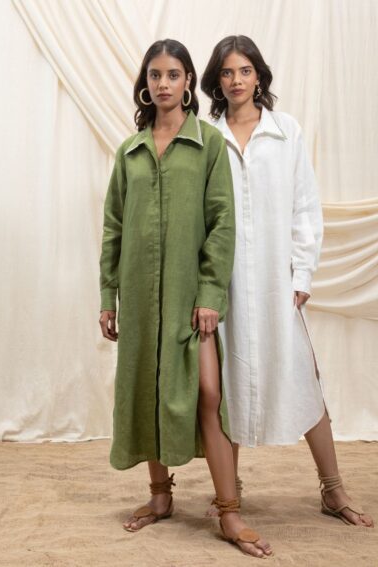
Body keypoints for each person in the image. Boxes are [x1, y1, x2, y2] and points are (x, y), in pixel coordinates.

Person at [99, 38, 272, 557]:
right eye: (155, 75)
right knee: (147, 388)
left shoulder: (208, 144)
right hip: (137, 295)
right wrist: (108, 297)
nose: (163, 84)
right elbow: (113, 228)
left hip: (189, 298)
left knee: (209, 396)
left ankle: (229, 511)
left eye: (173, 75)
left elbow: (222, 224)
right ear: (145, 84)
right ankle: (160, 496)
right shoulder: (129, 151)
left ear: (189, 82)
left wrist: (210, 293)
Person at [201, 35, 374, 528]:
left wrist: (302, 272)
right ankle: (229, 492)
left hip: (277, 278)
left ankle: (333, 489)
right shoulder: (208, 137)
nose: (236, 80)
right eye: (227, 72)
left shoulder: (286, 131)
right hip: (225, 281)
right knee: (226, 384)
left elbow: (305, 206)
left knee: (302, 376)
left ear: (259, 76)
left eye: (245, 71)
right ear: (216, 80)